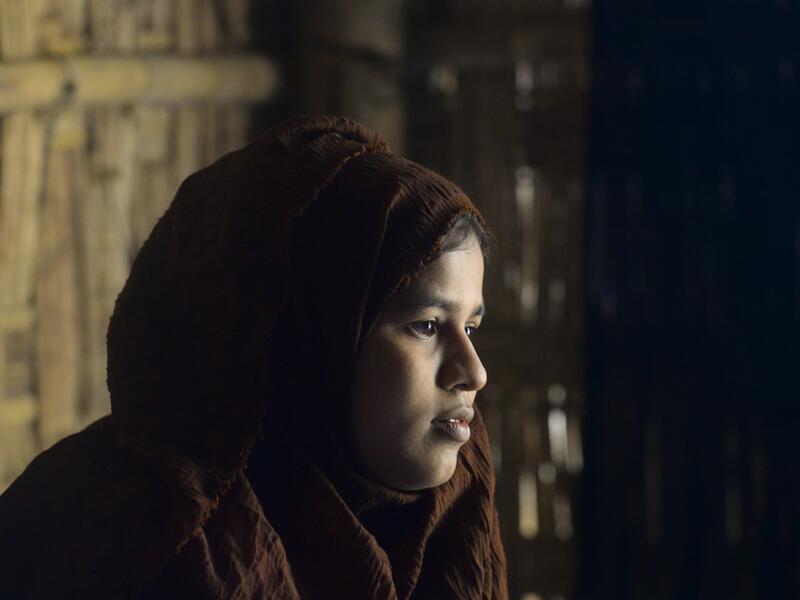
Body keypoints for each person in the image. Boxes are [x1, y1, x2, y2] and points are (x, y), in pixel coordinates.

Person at [0, 115, 508, 599]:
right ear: (313, 340)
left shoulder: (452, 522)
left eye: (470, 327)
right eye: (426, 326)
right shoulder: (108, 525)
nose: (474, 372)